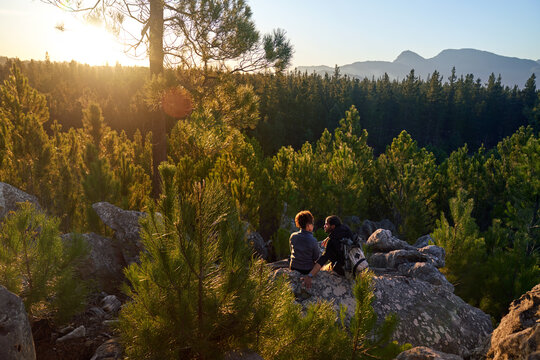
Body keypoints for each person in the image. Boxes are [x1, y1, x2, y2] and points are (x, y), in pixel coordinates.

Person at [303, 215, 353, 288]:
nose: (324, 226)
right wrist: (328, 237)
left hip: (343, 269)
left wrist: (310, 275)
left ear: (332, 226)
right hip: (353, 265)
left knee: (324, 268)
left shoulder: (332, 241)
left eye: (326, 224)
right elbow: (337, 233)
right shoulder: (347, 229)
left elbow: (323, 259)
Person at [289, 210, 320, 275]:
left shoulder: (293, 236)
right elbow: (316, 257)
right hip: (307, 270)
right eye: (312, 224)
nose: (313, 226)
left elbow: (291, 250)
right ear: (308, 225)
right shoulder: (313, 240)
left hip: (293, 267)